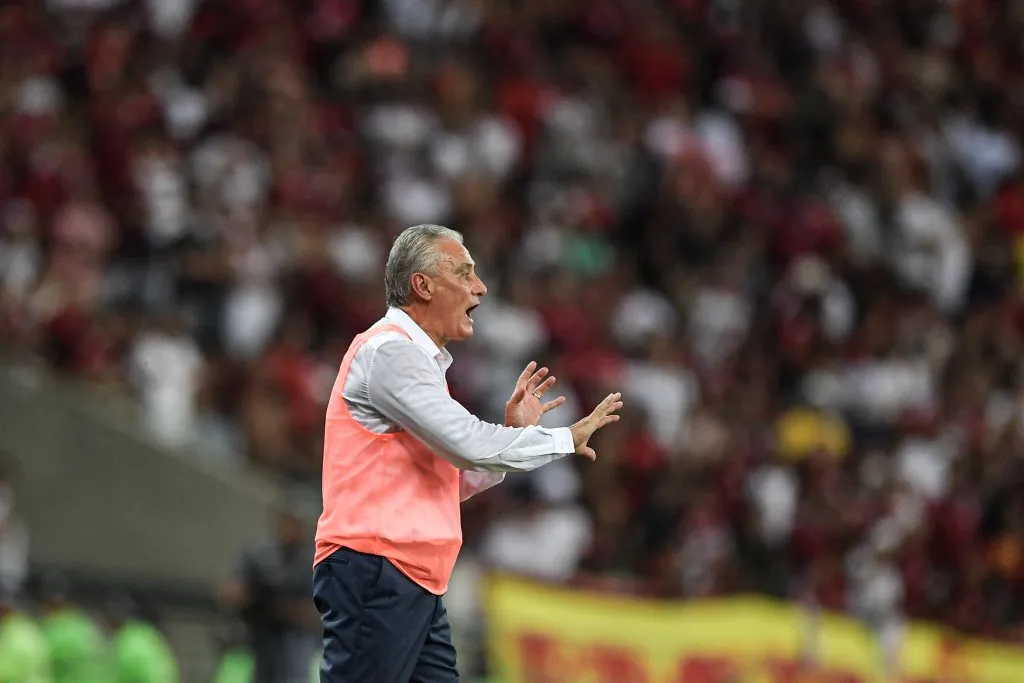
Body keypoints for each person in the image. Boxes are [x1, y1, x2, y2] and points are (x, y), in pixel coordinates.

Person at [312, 223, 624, 682]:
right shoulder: (390, 353)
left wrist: (510, 436)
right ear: (423, 285)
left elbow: (445, 476)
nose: (479, 287)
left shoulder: (416, 362)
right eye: (464, 273)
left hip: (410, 575)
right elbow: (469, 444)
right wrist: (563, 439)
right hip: (377, 567)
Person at [222, 510, 318, 683]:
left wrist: (281, 607)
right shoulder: (259, 554)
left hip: (294, 638)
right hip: (257, 634)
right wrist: (251, 597)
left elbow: (311, 613)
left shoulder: (311, 560)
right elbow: (232, 592)